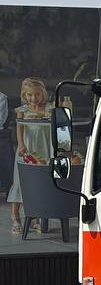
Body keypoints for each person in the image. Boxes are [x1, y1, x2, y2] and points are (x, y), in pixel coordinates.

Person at [9, 78, 52, 233]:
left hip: (43, 148)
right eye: (30, 95)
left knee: (39, 183)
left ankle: (36, 217)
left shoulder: (49, 109)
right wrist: (21, 145)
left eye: (37, 94)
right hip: (27, 148)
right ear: (24, 95)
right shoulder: (22, 110)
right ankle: (15, 216)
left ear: (43, 94)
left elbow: (52, 120)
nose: (34, 98)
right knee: (20, 181)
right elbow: (19, 129)